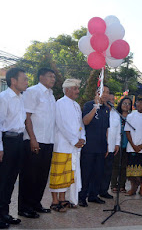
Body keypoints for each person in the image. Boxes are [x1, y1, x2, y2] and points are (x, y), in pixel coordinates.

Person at [18, 68, 56, 218]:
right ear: (41, 77)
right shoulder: (33, 91)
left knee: (41, 176)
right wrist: (32, 138)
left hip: (48, 140)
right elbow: (27, 117)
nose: (53, 79)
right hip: (34, 140)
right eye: (50, 76)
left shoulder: (51, 95)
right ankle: (24, 207)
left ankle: (35, 203)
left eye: (54, 77)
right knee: (29, 175)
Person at [49, 79, 85, 212]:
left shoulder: (76, 105)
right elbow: (61, 124)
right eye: (75, 89)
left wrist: (82, 138)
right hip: (62, 145)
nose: (77, 91)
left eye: (77, 88)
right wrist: (74, 140)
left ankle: (63, 198)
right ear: (67, 90)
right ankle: (54, 201)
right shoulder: (60, 103)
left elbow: (81, 125)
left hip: (73, 146)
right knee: (58, 173)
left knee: (67, 174)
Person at [0, 68, 28, 228]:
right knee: (2, 180)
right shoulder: (4, 98)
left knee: (11, 180)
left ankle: (5, 213)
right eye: (24, 79)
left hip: (18, 141)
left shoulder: (20, 98)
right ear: (13, 81)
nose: (26, 82)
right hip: (6, 141)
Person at [78, 85, 110, 207]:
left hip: (101, 146)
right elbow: (85, 121)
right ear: (97, 93)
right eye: (103, 92)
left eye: (107, 92)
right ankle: (82, 197)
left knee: (98, 173)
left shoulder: (107, 109)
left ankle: (93, 195)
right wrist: (95, 107)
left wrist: (107, 145)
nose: (105, 94)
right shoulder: (89, 105)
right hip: (89, 146)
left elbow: (107, 129)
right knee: (86, 173)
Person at [98, 92, 121, 199]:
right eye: (109, 99)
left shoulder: (116, 114)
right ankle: (94, 191)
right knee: (98, 170)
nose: (111, 101)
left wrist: (117, 143)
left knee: (108, 170)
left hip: (112, 147)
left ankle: (104, 191)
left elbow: (118, 131)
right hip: (101, 147)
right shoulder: (101, 111)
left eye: (112, 100)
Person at [125, 97, 142, 197]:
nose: (139, 104)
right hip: (131, 146)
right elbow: (127, 131)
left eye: (141, 103)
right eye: (137, 102)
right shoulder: (131, 115)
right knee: (131, 170)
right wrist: (133, 145)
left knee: (141, 171)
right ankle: (133, 188)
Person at [110, 97, 132, 194]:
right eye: (124, 103)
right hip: (116, 144)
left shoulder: (131, 117)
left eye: (128, 104)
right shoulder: (115, 115)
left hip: (127, 145)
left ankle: (122, 185)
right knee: (115, 165)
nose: (126, 105)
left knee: (124, 166)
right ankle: (114, 185)